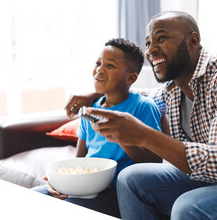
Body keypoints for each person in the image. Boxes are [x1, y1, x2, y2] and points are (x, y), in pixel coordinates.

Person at [65, 11, 217, 220]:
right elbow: (137, 93)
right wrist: (93, 96)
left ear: (193, 41)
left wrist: (144, 136)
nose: (151, 50)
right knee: (131, 178)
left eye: (161, 38)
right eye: (148, 43)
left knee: (188, 206)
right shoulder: (174, 89)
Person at [34, 38, 164, 218]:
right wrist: (60, 181)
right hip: (83, 185)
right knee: (33, 198)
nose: (100, 70)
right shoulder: (90, 108)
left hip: (117, 191)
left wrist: (120, 136)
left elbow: (155, 162)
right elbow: (78, 159)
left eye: (110, 66)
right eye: (98, 63)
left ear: (131, 78)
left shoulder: (144, 107)